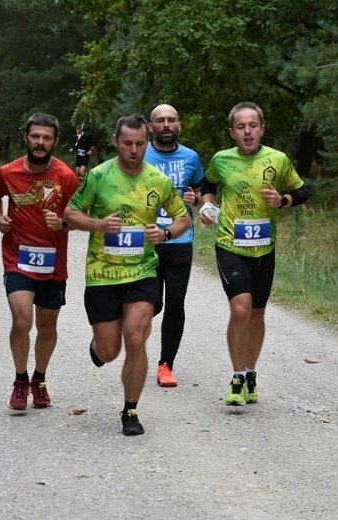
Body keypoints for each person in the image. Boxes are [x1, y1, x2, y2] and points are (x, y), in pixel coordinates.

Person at [64, 114, 190, 435]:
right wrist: (98, 224)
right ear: (115, 141)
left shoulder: (157, 180)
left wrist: (165, 234)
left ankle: (130, 410)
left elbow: (182, 219)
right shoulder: (98, 175)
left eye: (140, 144)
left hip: (142, 272)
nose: (134, 150)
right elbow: (70, 213)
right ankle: (98, 347)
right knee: (109, 351)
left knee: (136, 337)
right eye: (127, 143)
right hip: (102, 275)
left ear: (146, 142)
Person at [199, 101, 309, 406]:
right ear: (232, 132)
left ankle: (250, 372)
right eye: (241, 127)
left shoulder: (278, 159)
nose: (247, 131)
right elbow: (206, 185)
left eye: (252, 126)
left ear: (261, 129)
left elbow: (303, 191)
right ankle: (236, 376)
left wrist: (282, 200)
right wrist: (207, 206)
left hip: (264, 248)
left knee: (257, 314)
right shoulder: (221, 160)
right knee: (241, 308)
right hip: (230, 245)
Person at [0, 112, 79, 411]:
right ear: (26, 137)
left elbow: (79, 215)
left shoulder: (66, 176)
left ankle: (39, 379)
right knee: (22, 320)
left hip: (53, 263)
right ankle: (20, 379)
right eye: (35, 136)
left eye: (46, 138)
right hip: (17, 257)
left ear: (55, 142)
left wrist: (63, 223)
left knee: (47, 327)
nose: (40, 142)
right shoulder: (8, 172)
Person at [144, 104, 204, 387]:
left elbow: (200, 191)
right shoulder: (140, 154)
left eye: (171, 120)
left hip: (181, 240)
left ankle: (165, 365)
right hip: (147, 240)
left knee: (175, 303)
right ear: (150, 126)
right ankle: (136, 335)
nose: (166, 124)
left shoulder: (191, 157)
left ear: (179, 124)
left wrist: (197, 199)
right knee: (150, 304)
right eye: (160, 120)